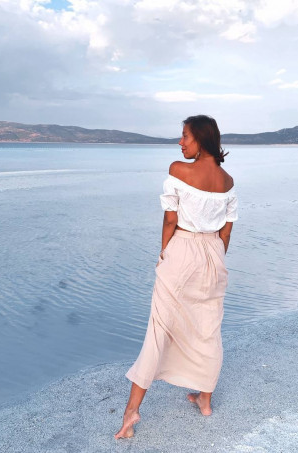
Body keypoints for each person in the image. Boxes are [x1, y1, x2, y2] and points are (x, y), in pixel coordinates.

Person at [114, 114, 238, 439]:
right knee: (208, 327)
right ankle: (205, 399)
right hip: (214, 253)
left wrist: (164, 253)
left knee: (160, 328)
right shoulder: (227, 181)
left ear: (201, 138)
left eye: (185, 136)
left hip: (182, 249)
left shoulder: (178, 170)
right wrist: (214, 259)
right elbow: (226, 232)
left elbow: (170, 220)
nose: (180, 142)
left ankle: (131, 412)